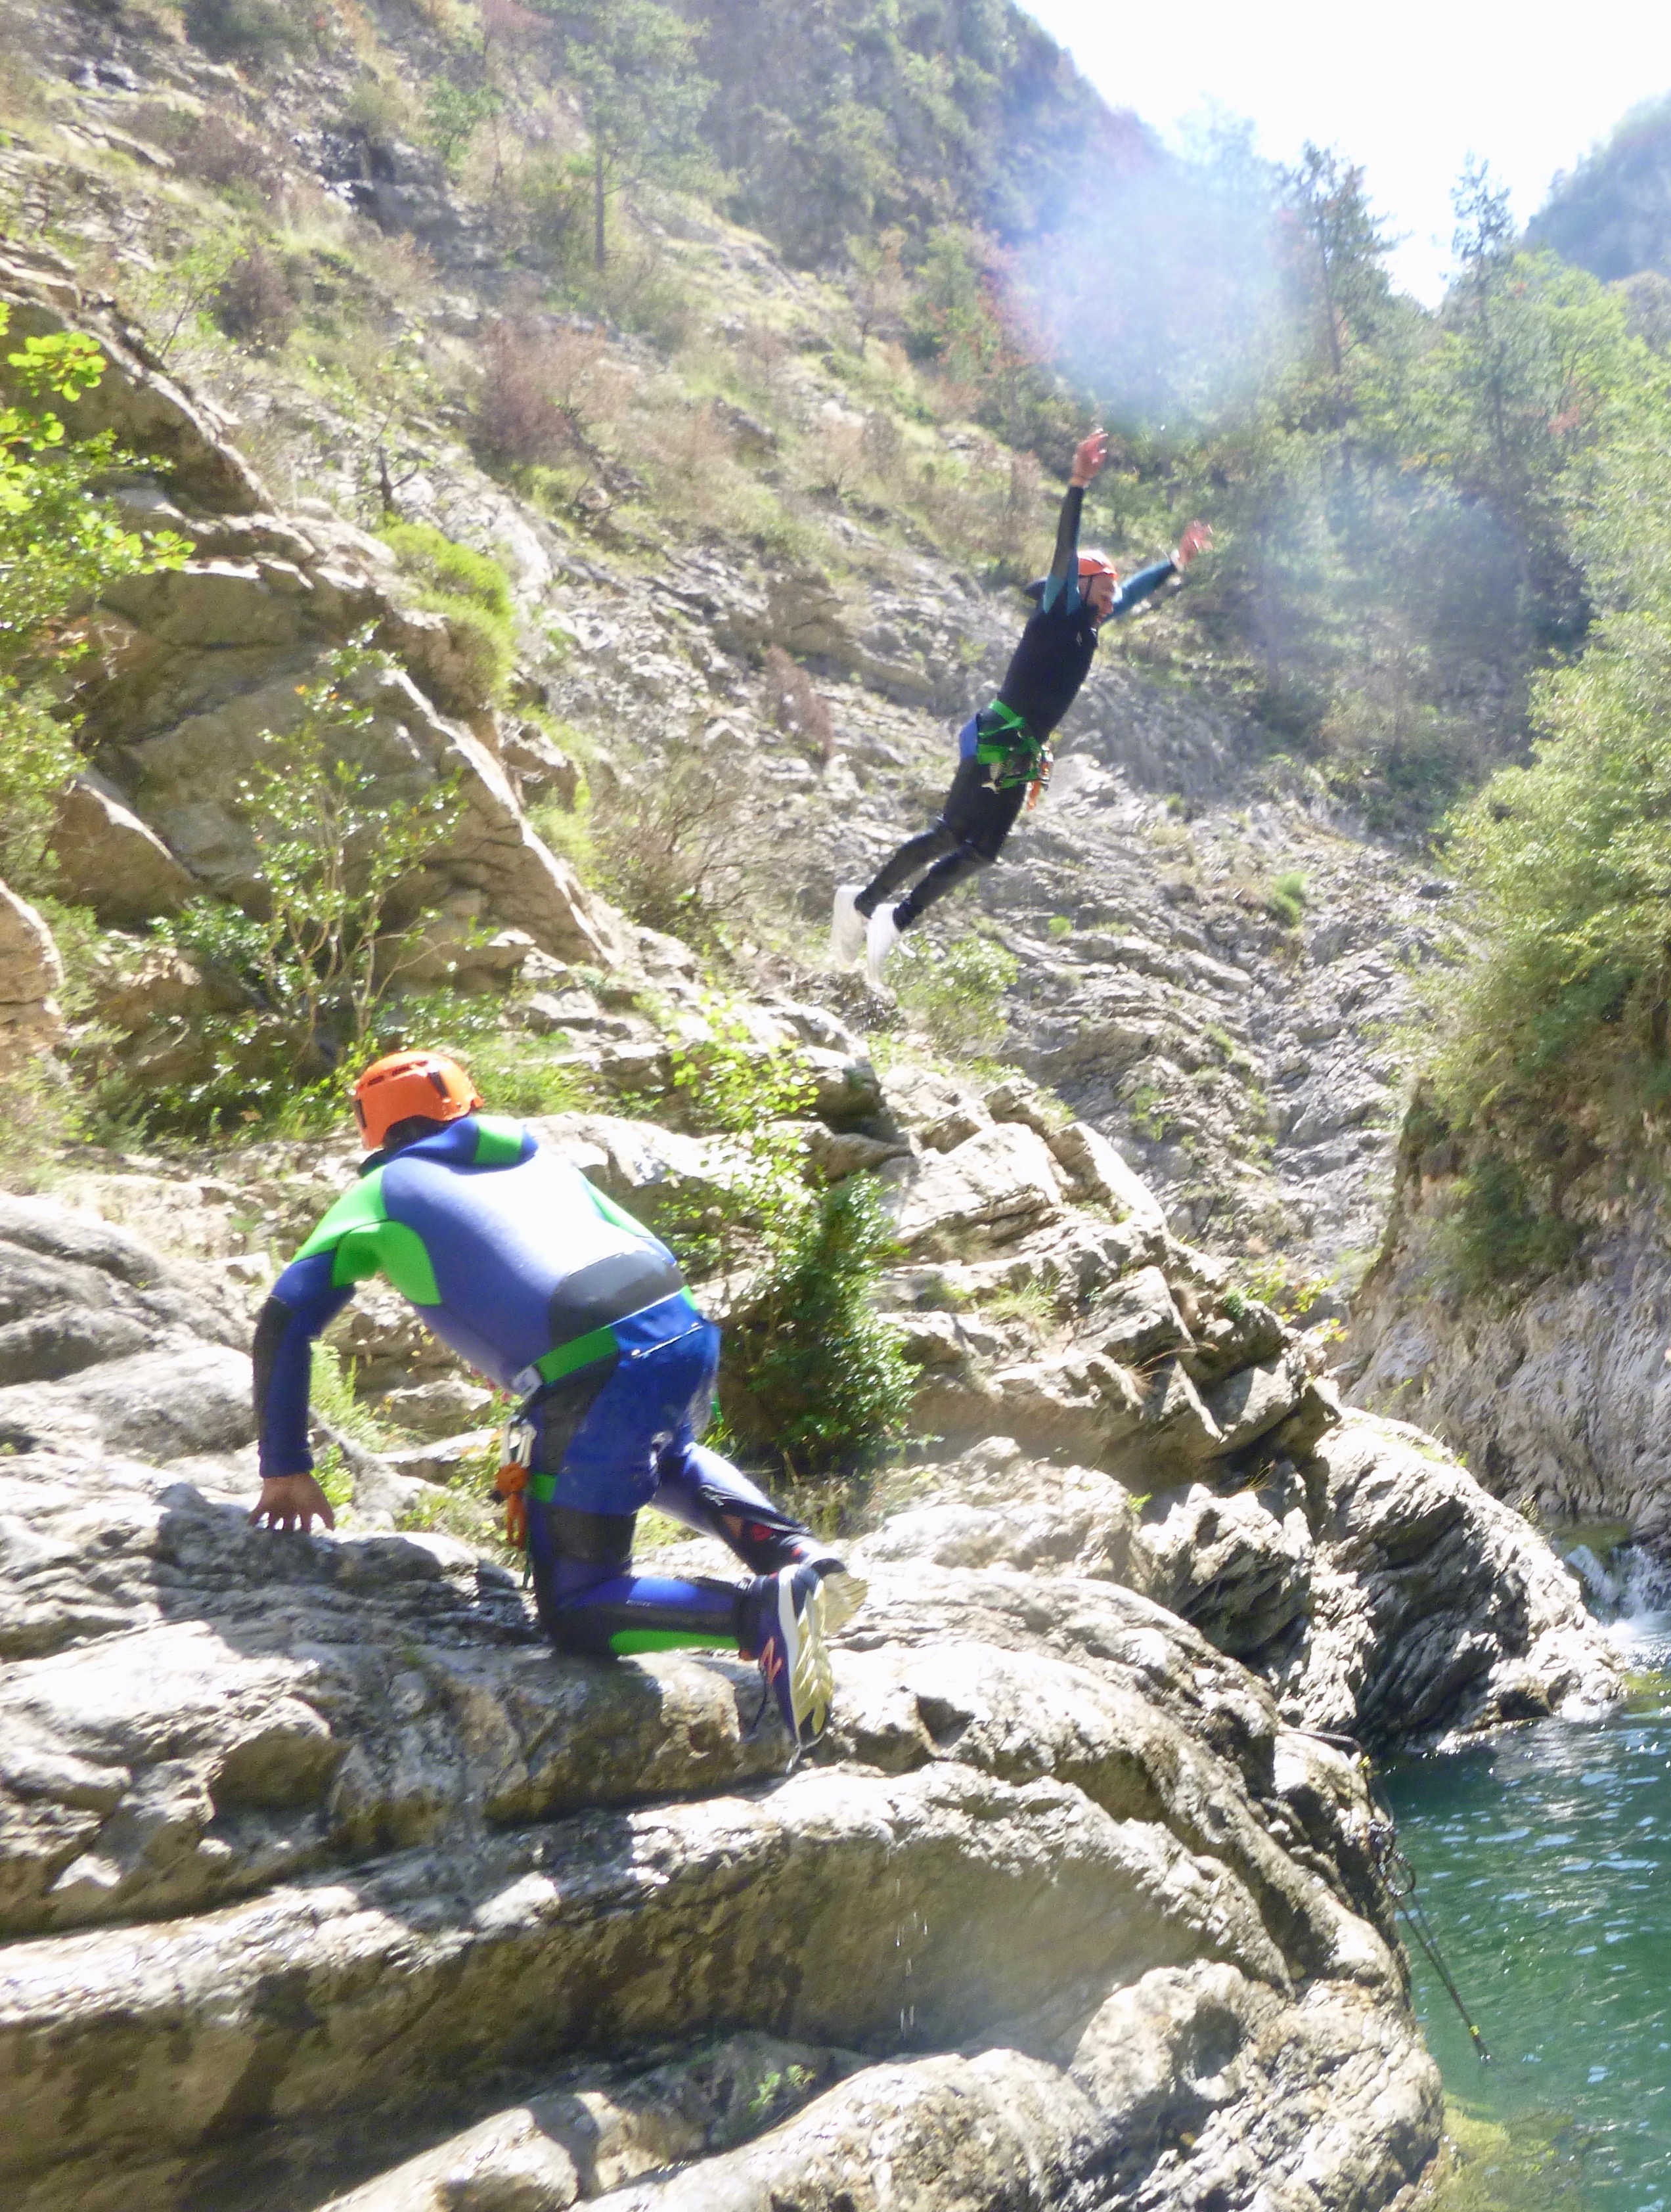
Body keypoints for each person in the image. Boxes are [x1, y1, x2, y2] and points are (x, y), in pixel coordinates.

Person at [248, 1049, 864, 1748]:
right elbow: (641, 1242)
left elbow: (286, 1320)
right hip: (681, 1329)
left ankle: (760, 1616)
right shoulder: (534, 1152)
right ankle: (800, 1557)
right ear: (467, 1104)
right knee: (667, 1456)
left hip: (591, 1374)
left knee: (576, 1608)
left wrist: (286, 1465)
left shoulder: (383, 1191)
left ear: (374, 1131)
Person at [832, 428, 1210, 987]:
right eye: (1103, 593)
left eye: (1112, 597)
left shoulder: (1091, 621)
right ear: (1078, 587)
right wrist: (1078, 483)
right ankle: (862, 904)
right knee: (949, 834)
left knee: (982, 852)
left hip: (1024, 752)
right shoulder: (1059, 608)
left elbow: (1134, 592)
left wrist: (1175, 562)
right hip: (999, 734)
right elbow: (1066, 548)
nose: (1112, 603)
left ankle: (895, 920)